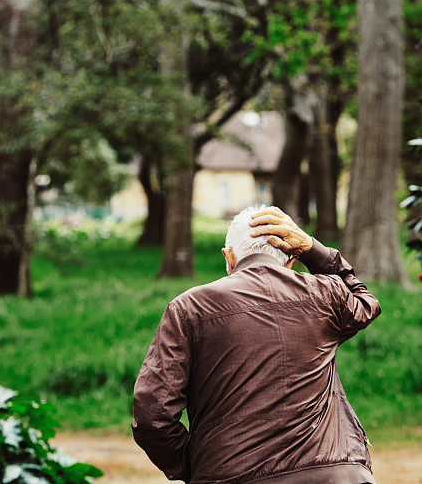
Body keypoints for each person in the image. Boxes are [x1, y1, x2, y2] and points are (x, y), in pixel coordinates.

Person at [132, 205, 381, 483]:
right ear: (290, 261)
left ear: (229, 258)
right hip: (339, 476)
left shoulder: (189, 308)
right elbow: (365, 300)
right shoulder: (325, 294)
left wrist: (200, 464)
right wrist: (312, 249)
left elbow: (152, 416)